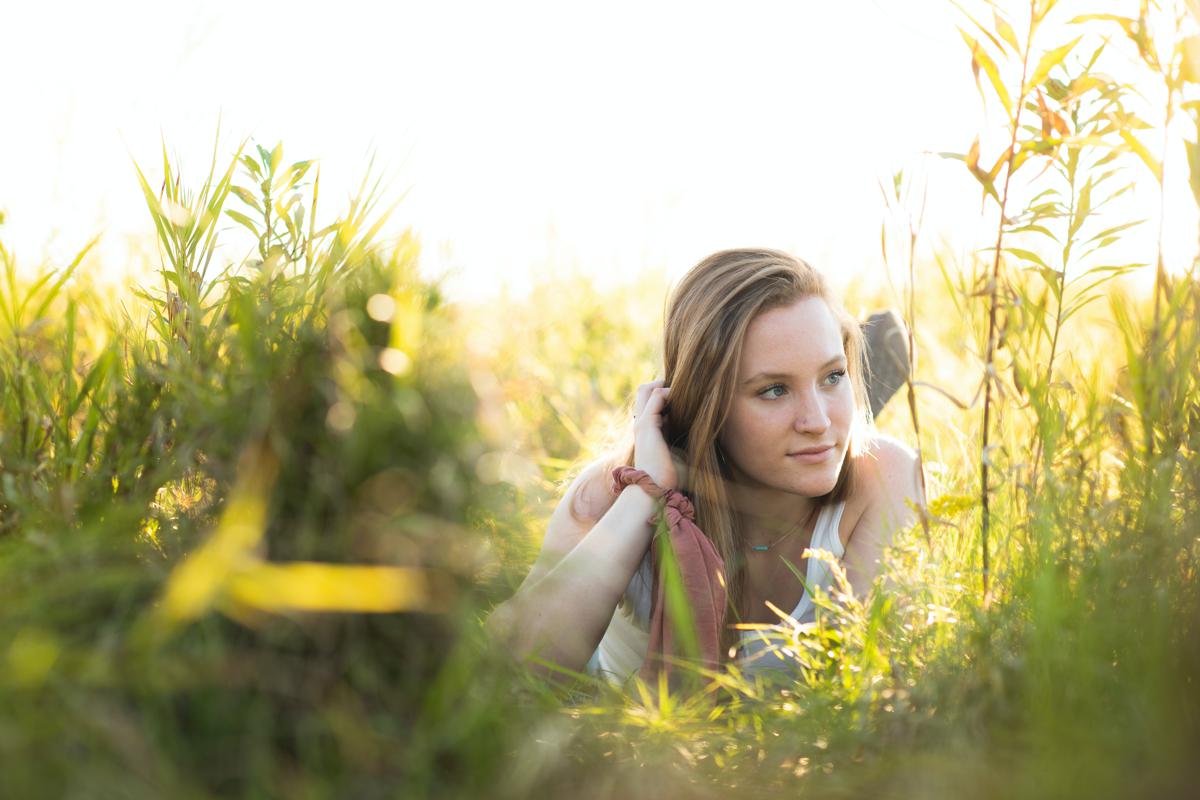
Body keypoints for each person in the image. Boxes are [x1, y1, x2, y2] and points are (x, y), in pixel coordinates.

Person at [486, 248, 924, 686]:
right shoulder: (607, 494)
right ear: (706, 406)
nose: (819, 420)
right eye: (773, 389)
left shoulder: (883, 475)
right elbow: (512, 675)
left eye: (833, 375)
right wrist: (648, 492)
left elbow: (873, 684)